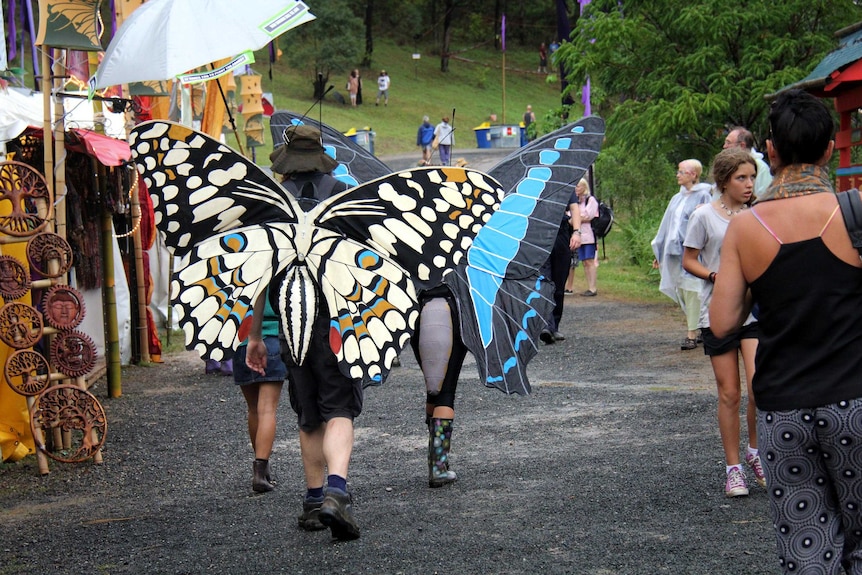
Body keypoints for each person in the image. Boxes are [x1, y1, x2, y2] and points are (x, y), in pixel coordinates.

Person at [710, 89, 862, 573]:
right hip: (856, 403)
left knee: (807, 546)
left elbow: (722, 323)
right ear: (830, 149)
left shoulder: (745, 228)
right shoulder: (857, 210)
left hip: (784, 412)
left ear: (770, 152)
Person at [248, 124, 361, 540]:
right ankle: (336, 492)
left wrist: (256, 334)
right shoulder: (344, 200)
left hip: (291, 322)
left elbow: (259, 275)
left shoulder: (273, 207)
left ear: (286, 164)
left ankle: (314, 501)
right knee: (340, 407)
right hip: (335, 321)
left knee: (309, 412)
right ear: (321, 159)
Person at [682, 147, 763, 498]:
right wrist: (714, 274)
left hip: (755, 310)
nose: (748, 184)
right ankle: (734, 469)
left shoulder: (758, 214)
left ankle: (756, 452)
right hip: (716, 311)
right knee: (729, 392)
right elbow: (689, 260)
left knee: (761, 386)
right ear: (724, 180)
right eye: (741, 178)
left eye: (751, 177)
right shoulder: (703, 215)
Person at [651, 159, 712, 350]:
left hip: (694, 252)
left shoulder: (704, 195)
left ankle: (691, 334)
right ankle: (700, 326)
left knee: (693, 289)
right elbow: (667, 226)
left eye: (681, 171)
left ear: (693, 174)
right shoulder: (677, 198)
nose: (678, 175)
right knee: (682, 290)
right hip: (674, 251)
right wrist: (659, 253)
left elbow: (709, 222)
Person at [411, 285, 468, 488]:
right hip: (453, 307)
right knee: (446, 390)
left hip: (417, 308)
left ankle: (437, 457)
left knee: (432, 386)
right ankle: (438, 466)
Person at [232, 288, 286, 494]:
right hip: (272, 338)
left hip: (241, 340)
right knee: (267, 410)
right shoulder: (277, 266)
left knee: (253, 409)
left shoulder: (241, 268)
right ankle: (261, 471)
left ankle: (260, 465)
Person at [540, 187, 581, 343]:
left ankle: (554, 325)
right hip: (539, 234)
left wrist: (577, 232)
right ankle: (545, 325)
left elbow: (574, 207)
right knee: (544, 280)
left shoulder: (564, 183)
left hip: (561, 233)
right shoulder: (536, 183)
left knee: (559, 281)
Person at [723, 126, 773, 198]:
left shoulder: (761, 167)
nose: (724, 146)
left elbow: (764, 197)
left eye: (728, 143)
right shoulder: (726, 166)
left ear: (742, 145)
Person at [575, 178, 599, 297]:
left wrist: (576, 218)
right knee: (584, 262)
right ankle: (589, 286)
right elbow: (570, 215)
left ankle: (593, 287)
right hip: (579, 235)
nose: (576, 189)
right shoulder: (577, 201)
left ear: (584, 187)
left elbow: (589, 216)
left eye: (578, 186)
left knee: (590, 261)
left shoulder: (591, 200)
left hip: (588, 235)